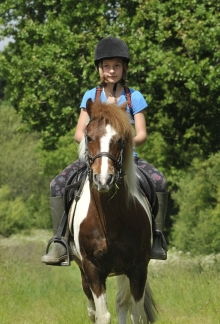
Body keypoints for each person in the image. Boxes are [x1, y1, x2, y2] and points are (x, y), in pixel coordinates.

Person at [42, 36, 168, 265]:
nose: (112, 70)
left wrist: (122, 143)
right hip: (94, 158)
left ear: (124, 68)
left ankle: (157, 238)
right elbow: (79, 133)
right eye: (107, 66)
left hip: (126, 158)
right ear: (100, 68)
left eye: (117, 65)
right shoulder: (90, 96)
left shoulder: (134, 97)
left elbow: (141, 134)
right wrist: (97, 146)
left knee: (159, 182)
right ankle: (60, 241)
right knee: (57, 185)